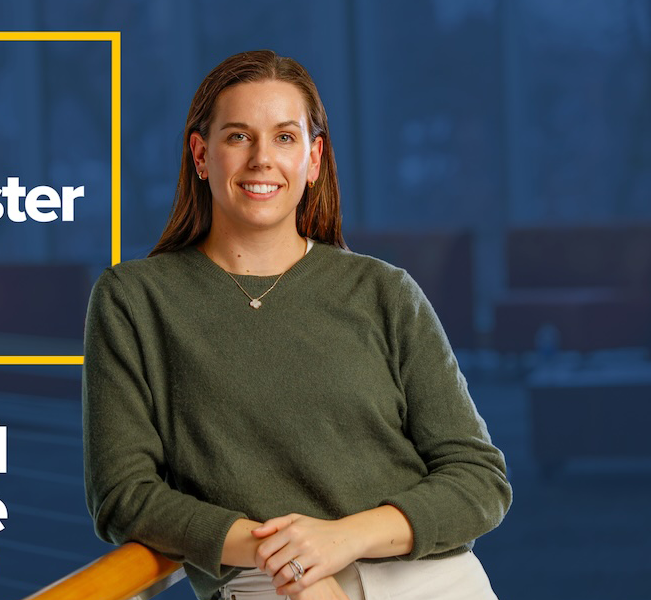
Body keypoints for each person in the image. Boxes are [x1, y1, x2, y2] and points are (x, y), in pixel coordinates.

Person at [82, 50, 512, 600]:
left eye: (285, 137)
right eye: (238, 136)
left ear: (313, 159)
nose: (263, 158)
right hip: (266, 585)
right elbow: (124, 495)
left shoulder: (385, 292)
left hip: (427, 577)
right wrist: (289, 560)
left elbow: (479, 478)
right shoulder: (134, 299)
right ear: (200, 154)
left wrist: (341, 540)